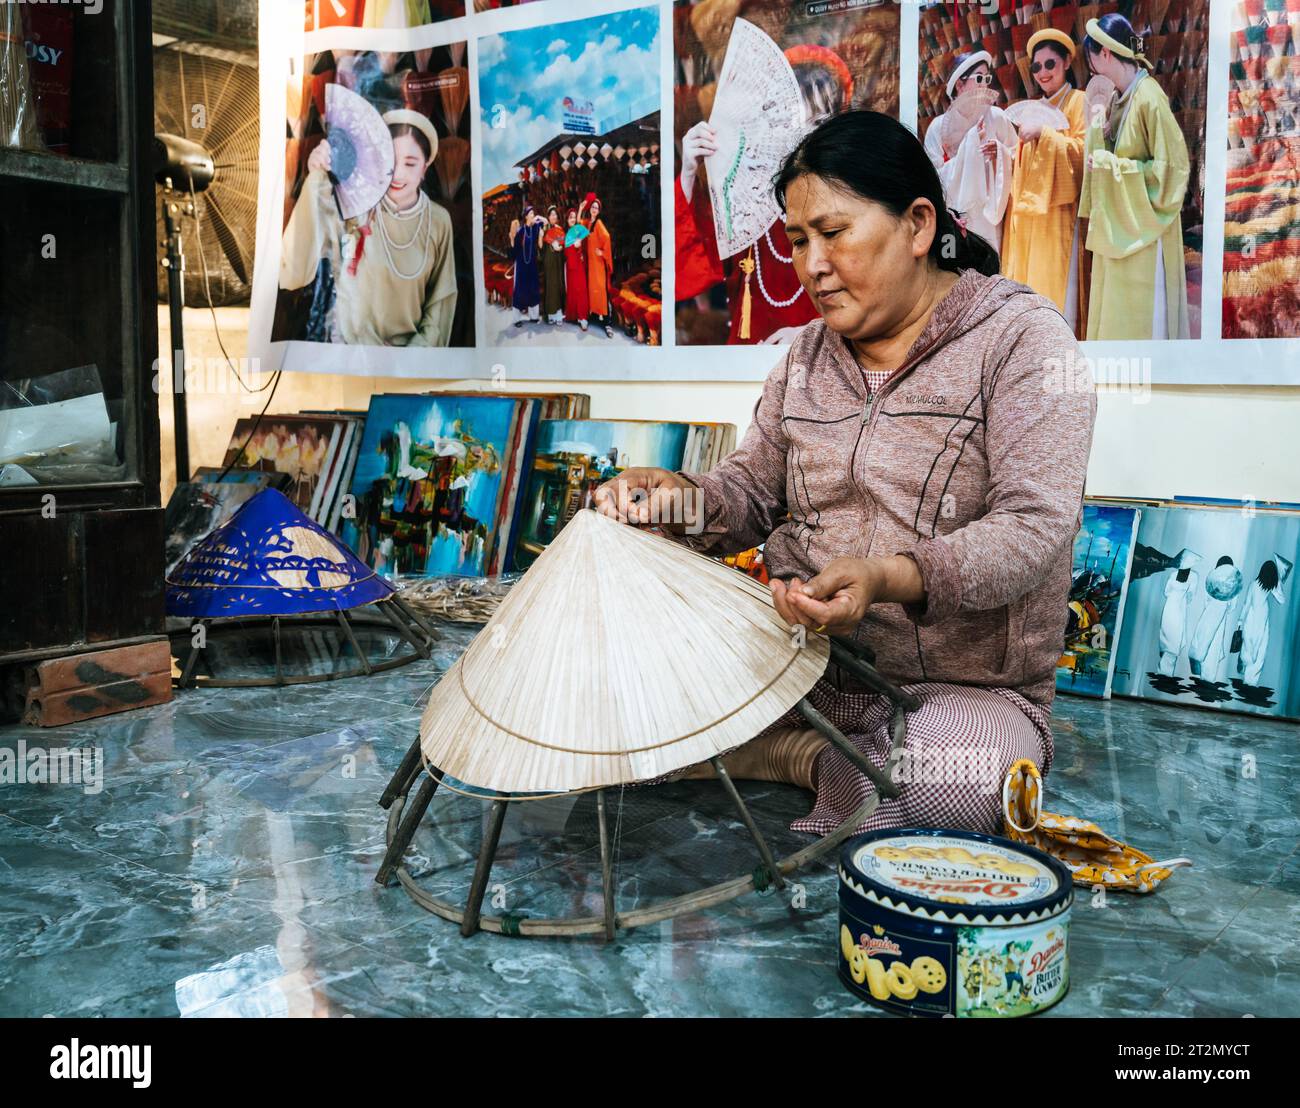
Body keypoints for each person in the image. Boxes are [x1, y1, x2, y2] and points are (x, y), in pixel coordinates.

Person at [594, 110, 1097, 838]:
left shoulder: (1025, 340)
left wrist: (889, 576)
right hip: (797, 664)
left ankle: (783, 758)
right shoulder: (805, 356)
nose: (811, 264)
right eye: (798, 240)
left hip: (958, 693)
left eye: (833, 233)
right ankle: (822, 756)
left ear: (919, 226)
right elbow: (746, 494)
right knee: (596, 700)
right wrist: (676, 500)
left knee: (955, 785)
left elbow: (1034, 528)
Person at [280, 107, 457, 346]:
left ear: (425, 167)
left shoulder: (438, 220)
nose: (398, 174)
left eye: (410, 163)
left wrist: (413, 356)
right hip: (352, 361)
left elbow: (441, 302)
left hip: (409, 367)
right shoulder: (353, 205)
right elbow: (294, 272)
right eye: (390, 160)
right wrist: (317, 179)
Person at [1079, 14, 1191, 340]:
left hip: (1144, 230)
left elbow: (1171, 171)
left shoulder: (1149, 97)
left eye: (1093, 63)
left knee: (1142, 331)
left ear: (1106, 54)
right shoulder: (1120, 98)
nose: (1094, 73)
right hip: (1121, 227)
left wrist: (1109, 167)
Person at [1001, 29, 1088, 336]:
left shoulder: (1080, 102)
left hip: (1059, 213)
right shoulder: (1031, 108)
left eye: (1049, 64)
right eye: (1036, 67)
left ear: (1066, 62)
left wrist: (1046, 134)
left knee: (1054, 284)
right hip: (1027, 217)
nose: (1042, 73)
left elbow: (1083, 153)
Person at [923, 51, 1018, 258]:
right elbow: (932, 177)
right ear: (960, 85)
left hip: (990, 214)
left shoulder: (997, 118)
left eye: (987, 78)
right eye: (979, 78)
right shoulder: (938, 128)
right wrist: (969, 149)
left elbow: (1017, 156)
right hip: (956, 215)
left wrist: (1000, 154)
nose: (985, 84)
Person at [583, 193, 615, 338]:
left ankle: (607, 321)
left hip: (598, 264)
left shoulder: (599, 223)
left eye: (596, 208)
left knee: (601, 290)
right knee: (593, 289)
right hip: (591, 264)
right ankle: (596, 315)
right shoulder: (589, 223)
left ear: (599, 210)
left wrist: (602, 252)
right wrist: (580, 208)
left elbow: (607, 237)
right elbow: (578, 224)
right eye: (593, 207)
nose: (594, 209)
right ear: (590, 209)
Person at [510, 206, 543, 327]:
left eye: (534, 213)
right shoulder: (520, 232)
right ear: (526, 216)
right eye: (531, 213)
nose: (533, 215)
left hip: (532, 265)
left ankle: (534, 316)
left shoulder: (535, 228)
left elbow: (545, 222)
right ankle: (516, 319)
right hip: (522, 266)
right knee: (520, 290)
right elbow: (515, 249)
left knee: (533, 288)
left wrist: (538, 218)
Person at [563, 206, 591, 330]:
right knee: (572, 290)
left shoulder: (579, 230)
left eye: (574, 217)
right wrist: (572, 246)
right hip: (570, 265)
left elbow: (585, 246)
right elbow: (565, 251)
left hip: (579, 264)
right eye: (570, 217)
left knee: (582, 290)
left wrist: (579, 246)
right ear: (567, 219)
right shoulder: (565, 234)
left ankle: (583, 317)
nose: (572, 219)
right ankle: (572, 315)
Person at [541, 205, 567, 325]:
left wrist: (560, 247)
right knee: (550, 285)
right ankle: (550, 314)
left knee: (558, 284)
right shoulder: (545, 228)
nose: (554, 216)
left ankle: (558, 314)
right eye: (551, 214)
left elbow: (563, 243)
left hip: (558, 259)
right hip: (549, 259)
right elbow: (541, 245)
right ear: (548, 216)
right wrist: (543, 237)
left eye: (555, 214)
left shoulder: (559, 228)